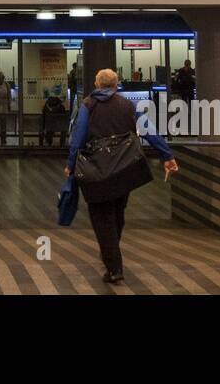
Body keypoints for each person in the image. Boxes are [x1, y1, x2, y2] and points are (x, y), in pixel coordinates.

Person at [65, 69, 178, 283]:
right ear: (116, 85)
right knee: (117, 214)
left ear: (97, 84)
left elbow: (78, 137)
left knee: (101, 217)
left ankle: (114, 265)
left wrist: (71, 164)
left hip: (97, 170)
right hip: (124, 169)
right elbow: (148, 130)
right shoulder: (127, 105)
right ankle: (112, 255)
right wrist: (166, 155)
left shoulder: (88, 105)